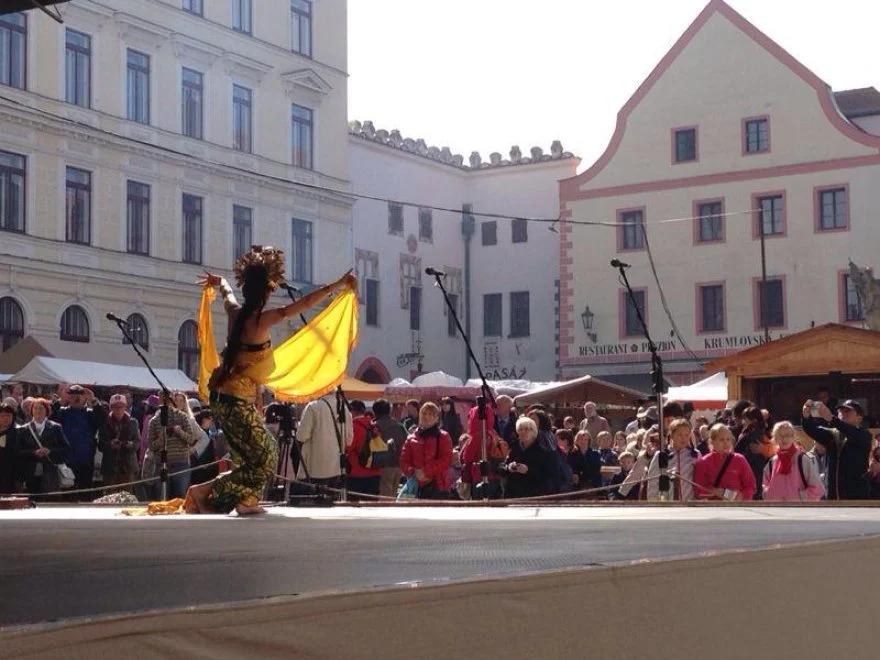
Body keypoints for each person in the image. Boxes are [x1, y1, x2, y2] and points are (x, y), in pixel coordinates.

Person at [188, 247, 354, 514]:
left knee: (247, 458)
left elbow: (227, 294)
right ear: (266, 291)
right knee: (267, 453)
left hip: (222, 398)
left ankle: (236, 499)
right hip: (235, 400)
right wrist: (337, 285)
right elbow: (305, 303)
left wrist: (221, 282)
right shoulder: (262, 320)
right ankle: (211, 493)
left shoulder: (234, 312)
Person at [802, 399, 872, 500]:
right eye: (840, 412)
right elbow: (811, 429)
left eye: (848, 411)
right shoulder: (833, 434)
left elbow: (851, 432)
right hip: (832, 497)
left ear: (859, 418)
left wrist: (831, 419)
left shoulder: (864, 435)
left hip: (856, 498)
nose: (843, 414)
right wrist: (806, 416)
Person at [52, 384, 107, 493]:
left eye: (79, 396)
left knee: (84, 493)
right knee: (67, 494)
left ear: (84, 398)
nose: (76, 399)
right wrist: (61, 401)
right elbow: (50, 417)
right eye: (73, 396)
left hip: (85, 461)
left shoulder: (90, 414)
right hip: (66, 461)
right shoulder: (62, 412)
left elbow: (103, 419)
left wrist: (94, 400)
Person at [297, 392, 353, 490]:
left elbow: (301, 436)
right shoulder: (344, 408)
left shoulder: (313, 407)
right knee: (332, 502)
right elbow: (349, 440)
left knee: (313, 503)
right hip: (337, 467)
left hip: (314, 468)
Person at [399, 402, 454, 499]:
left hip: (438, 485)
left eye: (431, 414)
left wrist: (426, 472)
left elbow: (446, 459)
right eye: (424, 413)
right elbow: (403, 460)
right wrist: (413, 472)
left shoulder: (443, 437)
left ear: (437, 418)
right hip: (416, 486)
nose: (427, 417)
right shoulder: (411, 438)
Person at [17, 398, 70, 497]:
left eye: (41, 408)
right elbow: (18, 451)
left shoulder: (56, 428)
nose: (38, 411)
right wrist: (33, 452)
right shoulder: (23, 429)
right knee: (33, 499)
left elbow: (66, 449)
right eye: (35, 408)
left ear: (47, 411)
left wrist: (50, 451)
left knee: (50, 500)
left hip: (50, 471)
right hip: (30, 472)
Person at [147, 396, 196, 500]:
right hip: (161, 464)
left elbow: (191, 439)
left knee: (181, 497)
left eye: (168, 400)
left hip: (181, 464)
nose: (166, 403)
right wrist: (161, 439)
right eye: (163, 400)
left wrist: (180, 432)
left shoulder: (182, 417)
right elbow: (151, 446)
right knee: (161, 498)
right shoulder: (154, 421)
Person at [763, 422, 824, 502]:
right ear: (775, 438)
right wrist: (770, 495)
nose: (784, 439)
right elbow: (765, 486)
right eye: (780, 435)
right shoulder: (772, 462)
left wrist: (799, 498)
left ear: (793, 437)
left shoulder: (803, 460)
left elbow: (817, 489)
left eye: (788, 435)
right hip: (777, 512)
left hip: (798, 512)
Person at [693, 424, 756, 501]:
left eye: (728, 439)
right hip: (713, 508)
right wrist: (713, 492)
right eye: (721, 440)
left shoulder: (740, 459)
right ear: (712, 442)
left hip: (737, 508)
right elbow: (698, 490)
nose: (726, 443)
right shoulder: (703, 462)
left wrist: (742, 496)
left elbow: (751, 485)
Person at [646, 418, 699, 501]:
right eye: (680, 435)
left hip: (689, 505)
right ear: (672, 435)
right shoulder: (661, 455)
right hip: (667, 504)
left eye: (687, 435)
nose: (683, 438)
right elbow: (653, 482)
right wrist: (653, 504)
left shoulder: (695, 455)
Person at [502, 416, 553, 499]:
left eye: (526, 429)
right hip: (513, 495)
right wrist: (509, 467)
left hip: (532, 496)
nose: (523, 432)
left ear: (533, 432)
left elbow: (547, 475)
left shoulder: (542, 451)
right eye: (520, 429)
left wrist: (528, 471)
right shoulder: (513, 448)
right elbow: (502, 468)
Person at [97, 394, 140, 489]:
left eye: (121, 407)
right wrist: (110, 445)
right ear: (111, 408)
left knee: (126, 497)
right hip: (110, 467)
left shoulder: (133, 422)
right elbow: (100, 445)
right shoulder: (105, 423)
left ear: (125, 407)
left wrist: (131, 445)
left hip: (128, 466)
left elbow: (137, 442)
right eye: (115, 407)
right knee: (110, 497)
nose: (118, 410)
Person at [734, 406, 772, 500]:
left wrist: (737, 460)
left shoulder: (754, 433)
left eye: (745, 419)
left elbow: (751, 452)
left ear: (753, 420)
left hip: (754, 468)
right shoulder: (758, 431)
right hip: (756, 467)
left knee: (754, 493)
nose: (743, 421)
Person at [372, 399, 408, 498]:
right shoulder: (399, 426)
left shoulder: (375, 426)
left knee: (384, 499)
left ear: (375, 411)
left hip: (383, 467)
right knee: (392, 498)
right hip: (398, 466)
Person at [346, 400, 381, 497]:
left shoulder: (354, 426)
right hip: (375, 471)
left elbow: (348, 447)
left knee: (355, 507)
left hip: (357, 472)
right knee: (371, 505)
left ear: (352, 411)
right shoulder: (374, 425)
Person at [618, 428, 661, 499]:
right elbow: (634, 474)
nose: (656, 444)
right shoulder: (644, 456)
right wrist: (622, 492)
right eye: (653, 441)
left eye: (658, 441)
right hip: (649, 493)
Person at [0, 402, 18, 493]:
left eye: (8, 415)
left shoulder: (18, 433)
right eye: (2, 416)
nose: (5, 418)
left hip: (10, 472)